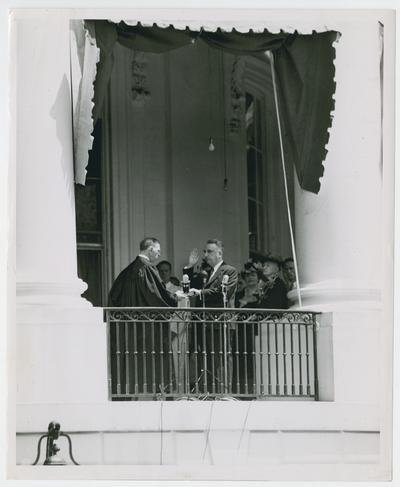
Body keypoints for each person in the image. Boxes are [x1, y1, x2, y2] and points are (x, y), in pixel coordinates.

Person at [108, 238, 183, 398]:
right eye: (157, 250)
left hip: (129, 329)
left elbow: (113, 297)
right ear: (149, 249)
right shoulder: (148, 269)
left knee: (132, 360)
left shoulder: (126, 272)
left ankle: (128, 392)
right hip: (148, 329)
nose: (159, 253)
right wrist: (175, 297)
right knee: (152, 362)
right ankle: (156, 393)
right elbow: (158, 296)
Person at [184, 239, 238, 393]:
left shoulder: (229, 270)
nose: (206, 255)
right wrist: (189, 267)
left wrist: (200, 292)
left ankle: (222, 392)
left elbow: (223, 292)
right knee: (203, 358)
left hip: (218, 322)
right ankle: (206, 391)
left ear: (220, 253)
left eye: (210, 251)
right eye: (205, 251)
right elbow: (189, 286)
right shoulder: (206, 272)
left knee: (219, 359)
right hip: (203, 323)